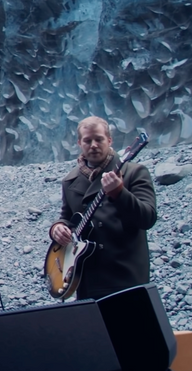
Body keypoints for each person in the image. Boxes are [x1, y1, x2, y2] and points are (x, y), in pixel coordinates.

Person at [49, 116, 157, 299]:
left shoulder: (134, 172)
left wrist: (119, 193)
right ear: (79, 143)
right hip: (87, 277)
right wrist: (57, 228)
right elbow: (67, 217)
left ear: (109, 140)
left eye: (98, 139)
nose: (93, 145)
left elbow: (147, 218)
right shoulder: (69, 181)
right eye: (87, 140)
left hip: (126, 276)